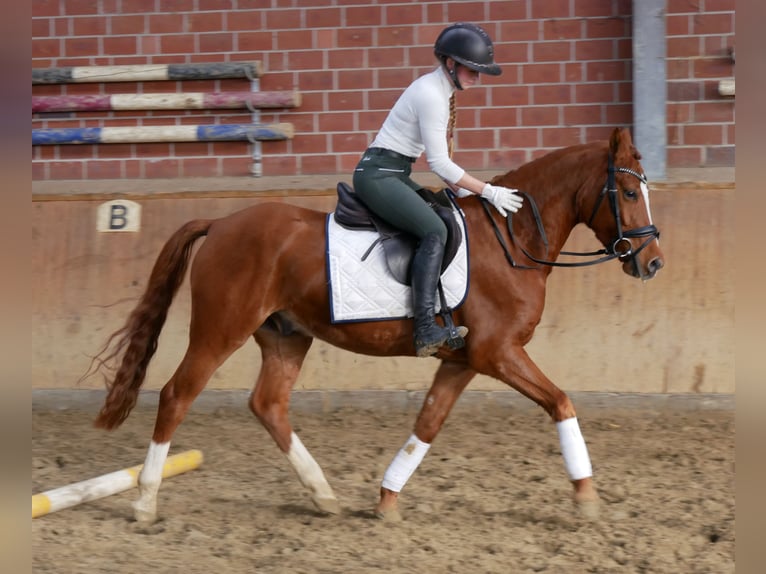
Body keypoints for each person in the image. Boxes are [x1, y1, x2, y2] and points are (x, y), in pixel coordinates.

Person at [352, 22, 523, 358]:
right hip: (378, 176)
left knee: (446, 216)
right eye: (472, 70)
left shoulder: (440, 91)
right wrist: (488, 191)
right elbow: (440, 164)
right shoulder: (431, 94)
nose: (477, 77)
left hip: (395, 172)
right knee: (434, 228)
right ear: (450, 64)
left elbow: (440, 163)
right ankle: (425, 328)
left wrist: (464, 193)